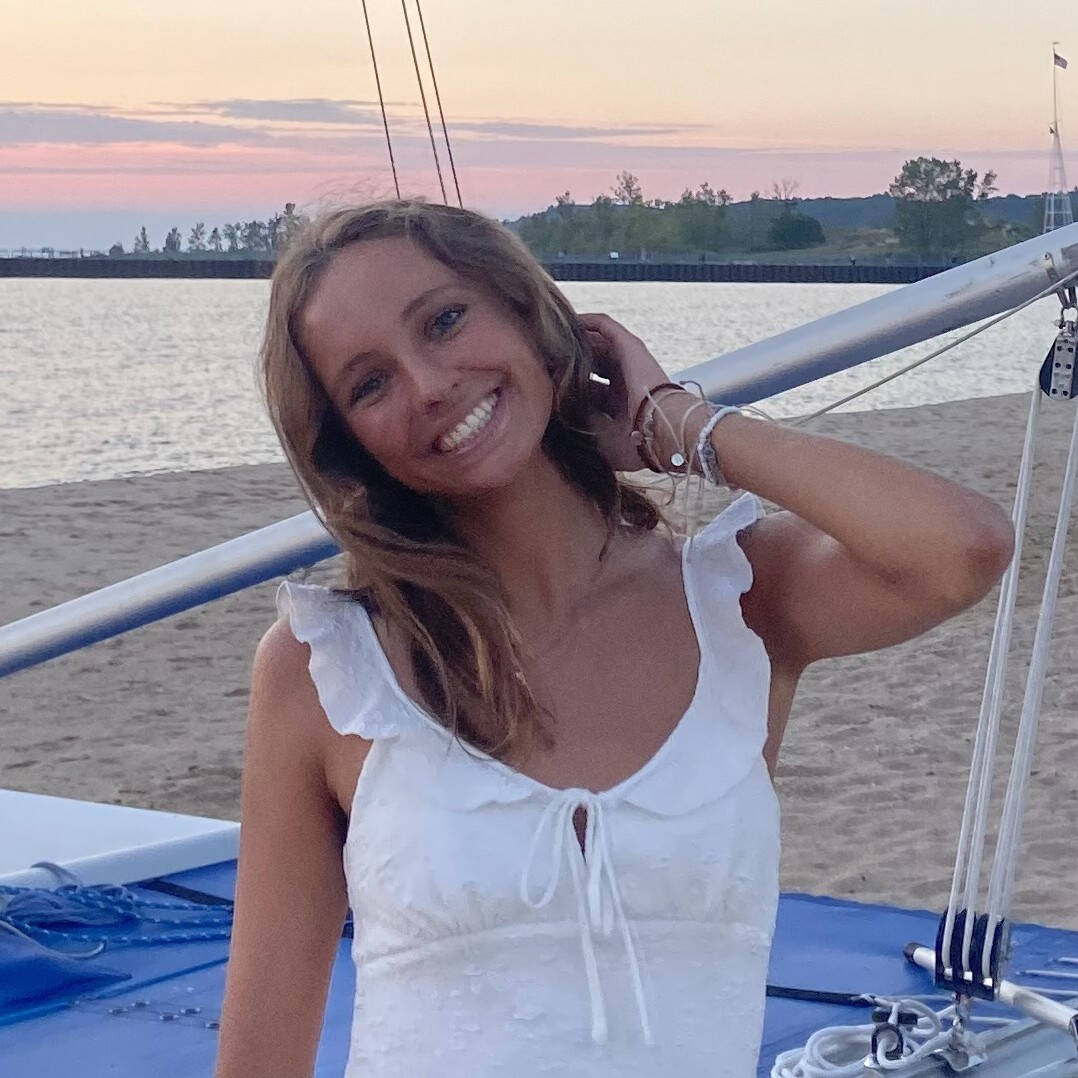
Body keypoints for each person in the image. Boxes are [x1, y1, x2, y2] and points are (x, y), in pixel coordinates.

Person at [215, 199, 1014, 1077]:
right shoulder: (328, 666)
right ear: (350, 444)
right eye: (370, 384)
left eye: (444, 321)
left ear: (529, 314)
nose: (429, 384)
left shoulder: (737, 600)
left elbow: (962, 549)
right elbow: (259, 1062)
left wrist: (681, 423)